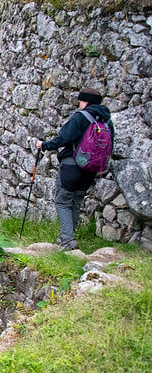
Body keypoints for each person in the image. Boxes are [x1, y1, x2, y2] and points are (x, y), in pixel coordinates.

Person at [36, 88, 115, 251]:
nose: (79, 103)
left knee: (62, 202)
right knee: (76, 201)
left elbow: (64, 138)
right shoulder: (107, 121)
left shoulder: (81, 116)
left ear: (85, 101)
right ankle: (67, 236)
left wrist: (44, 145)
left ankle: (67, 240)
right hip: (91, 168)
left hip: (72, 165)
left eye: (80, 101)